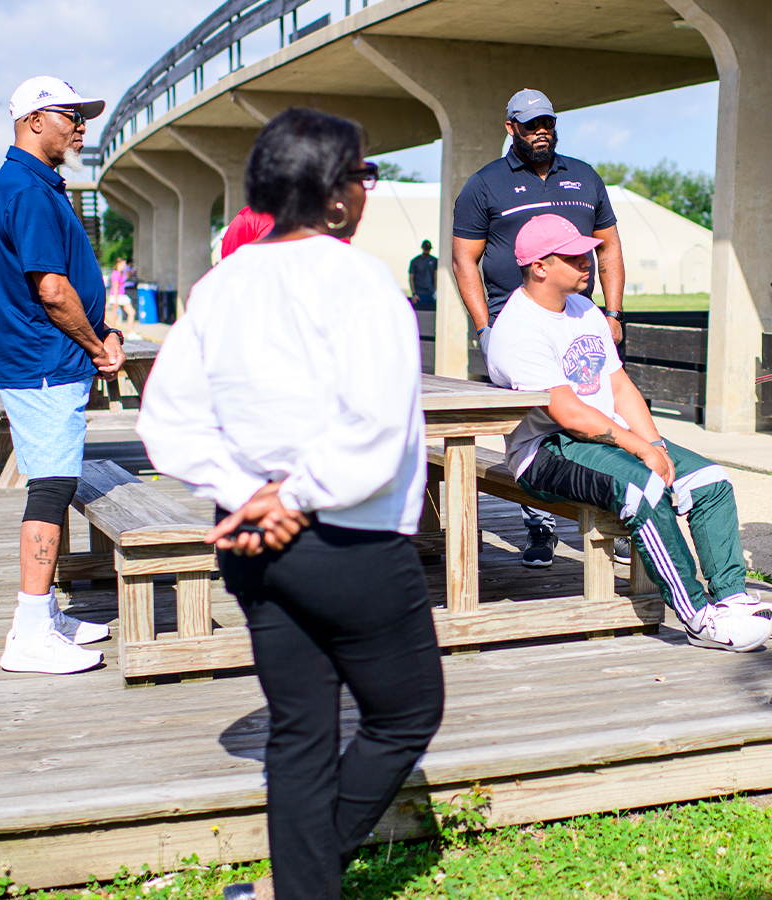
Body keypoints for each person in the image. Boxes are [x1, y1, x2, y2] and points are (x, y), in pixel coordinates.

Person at [138, 108, 442, 900]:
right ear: (336, 197)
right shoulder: (361, 283)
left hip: (248, 539)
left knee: (301, 731)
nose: (368, 189)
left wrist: (248, 494)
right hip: (347, 540)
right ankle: (301, 883)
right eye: (364, 174)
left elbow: (166, 420)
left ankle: (293, 890)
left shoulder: (220, 286)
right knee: (406, 715)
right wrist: (295, 497)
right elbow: (375, 426)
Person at [486, 214, 772, 652]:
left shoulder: (583, 308)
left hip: (601, 435)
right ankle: (700, 619)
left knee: (711, 481)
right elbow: (568, 413)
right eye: (573, 256)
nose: (588, 261)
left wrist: (653, 444)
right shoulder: (518, 329)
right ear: (539, 267)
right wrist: (639, 450)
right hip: (547, 448)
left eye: (587, 252)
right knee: (644, 489)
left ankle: (731, 600)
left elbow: (618, 385)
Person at [0, 76, 121, 674]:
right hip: (43, 365)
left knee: (54, 481)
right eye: (71, 115)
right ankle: (30, 632)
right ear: (34, 121)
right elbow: (53, 290)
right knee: (53, 487)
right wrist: (97, 346)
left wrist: (103, 333)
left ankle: (45, 616)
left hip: (44, 361)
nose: (82, 126)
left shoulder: (33, 182)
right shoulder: (29, 190)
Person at [452, 88, 626, 569]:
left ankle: (615, 517)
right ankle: (540, 524)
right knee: (533, 425)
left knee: (601, 411)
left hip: (580, 324)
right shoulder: (484, 184)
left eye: (547, 122)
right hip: (518, 327)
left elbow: (609, 248)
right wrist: (484, 327)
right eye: (530, 125)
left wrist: (613, 314)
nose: (541, 131)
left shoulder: (584, 177)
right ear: (511, 128)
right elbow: (465, 259)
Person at [106, 257, 138, 338]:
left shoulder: (121, 273)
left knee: (131, 312)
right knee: (115, 315)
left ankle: (131, 332)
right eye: (123, 264)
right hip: (117, 296)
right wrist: (116, 300)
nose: (124, 266)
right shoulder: (116, 274)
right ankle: (109, 334)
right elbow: (115, 287)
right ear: (118, 264)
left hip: (122, 295)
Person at [409, 239, 437, 303]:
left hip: (431, 292)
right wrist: (414, 293)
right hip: (419, 293)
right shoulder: (415, 261)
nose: (427, 251)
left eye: (428, 249)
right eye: (426, 249)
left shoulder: (434, 261)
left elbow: (436, 276)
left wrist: (436, 291)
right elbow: (411, 278)